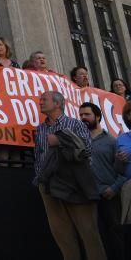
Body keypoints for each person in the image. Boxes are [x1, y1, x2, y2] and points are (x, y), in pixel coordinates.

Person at [33, 90, 105, 260]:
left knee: (89, 233)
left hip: (74, 183)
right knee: (62, 235)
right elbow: (38, 155)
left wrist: (60, 141)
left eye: (44, 100)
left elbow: (87, 150)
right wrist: (40, 179)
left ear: (57, 104)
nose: (40, 102)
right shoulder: (41, 129)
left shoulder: (75, 124)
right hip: (49, 186)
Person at [79, 102, 126, 260]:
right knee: (93, 238)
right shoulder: (79, 141)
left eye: (87, 114)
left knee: (116, 236)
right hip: (87, 197)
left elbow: (124, 170)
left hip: (109, 197)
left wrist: (113, 188)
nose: (83, 118)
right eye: (81, 115)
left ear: (98, 116)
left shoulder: (112, 142)